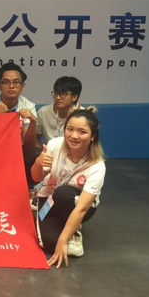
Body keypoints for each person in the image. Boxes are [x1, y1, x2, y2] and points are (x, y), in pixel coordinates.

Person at [31, 108, 105, 268]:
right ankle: (65, 225)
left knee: (62, 193)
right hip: (49, 197)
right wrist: (38, 163)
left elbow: (81, 208)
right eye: (70, 129)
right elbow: (36, 178)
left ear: (92, 136)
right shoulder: (54, 145)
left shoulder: (97, 166)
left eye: (82, 132)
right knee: (49, 242)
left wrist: (64, 240)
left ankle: (74, 231)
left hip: (76, 203)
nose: (74, 136)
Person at [37, 76, 82, 144]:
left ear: (74, 97)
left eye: (63, 94)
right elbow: (35, 139)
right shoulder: (43, 112)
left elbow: (83, 144)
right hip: (49, 150)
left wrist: (73, 120)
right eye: (55, 93)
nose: (58, 97)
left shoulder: (83, 115)